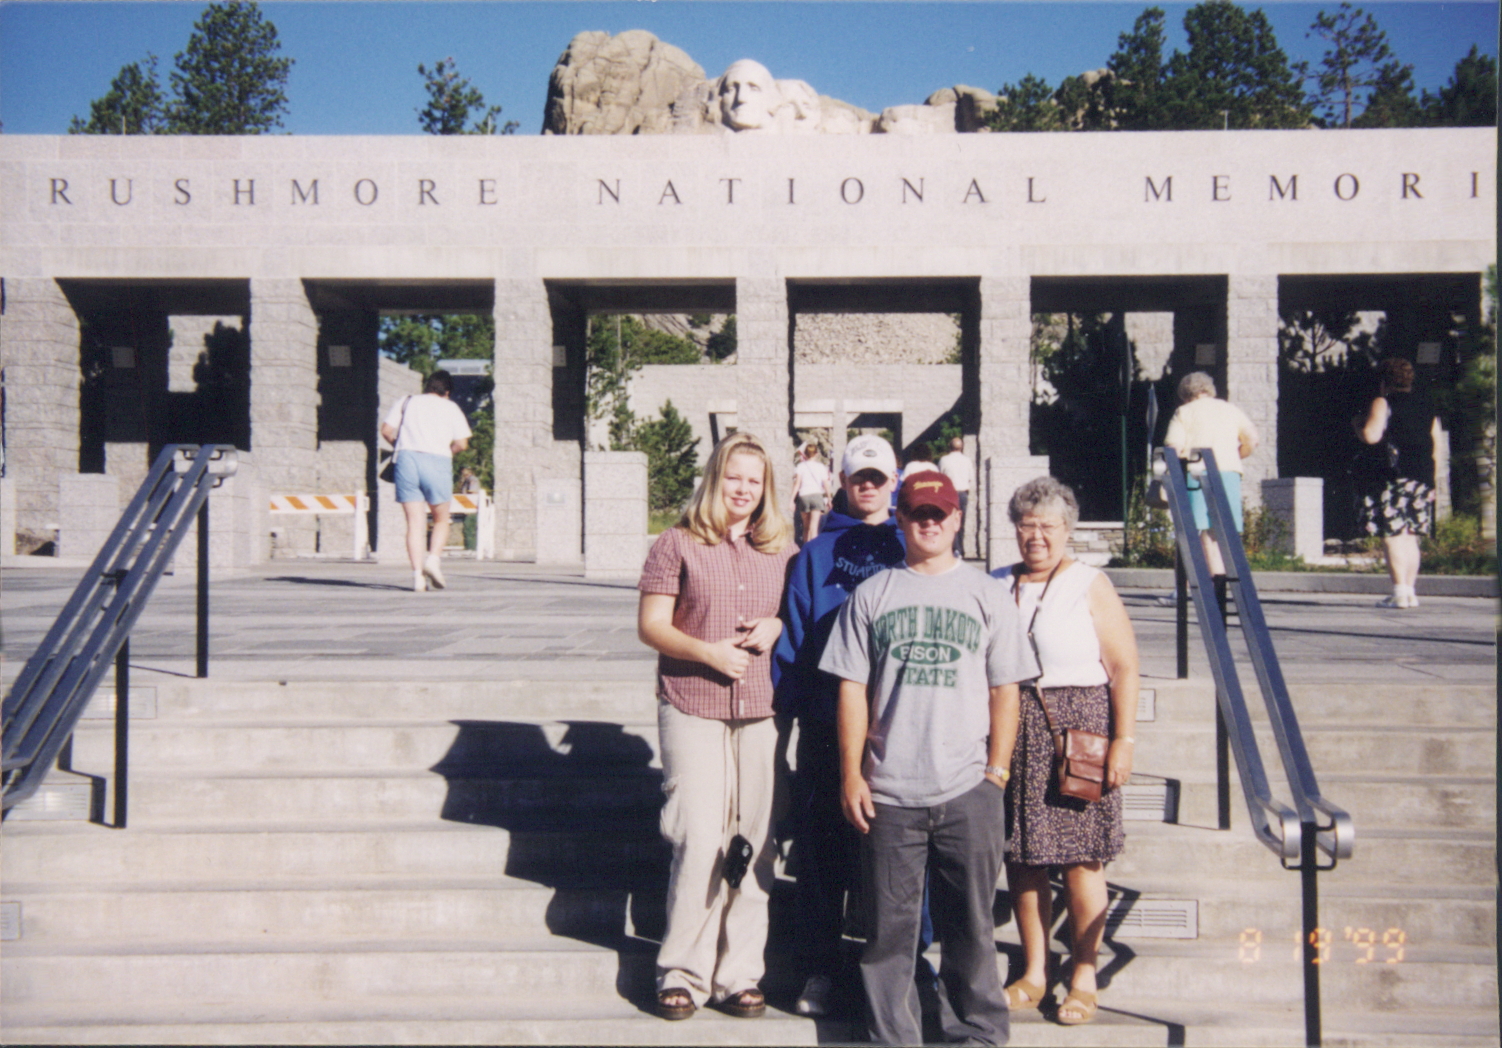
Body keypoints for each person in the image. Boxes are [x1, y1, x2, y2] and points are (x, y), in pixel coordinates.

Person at [821, 470, 1035, 1046]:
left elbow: (1006, 690)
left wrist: (996, 773)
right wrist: (851, 774)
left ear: (957, 519)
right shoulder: (873, 594)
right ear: (901, 518)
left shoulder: (987, 594)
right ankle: (894, 1036)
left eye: (940, 512)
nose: (930, 522)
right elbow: (851, 690)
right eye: (919, 512)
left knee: (971, 928)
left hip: (968, 788)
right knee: (888, 935)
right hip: (889, 793)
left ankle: (978, 1033)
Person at [636, 432, 796, 1021]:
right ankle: (682, 972)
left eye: (754, 481)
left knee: (754, 842)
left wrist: (778, 625)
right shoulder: (676, 543)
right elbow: (651, 625)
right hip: (692, 703)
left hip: (761, 710)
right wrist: (708, 652)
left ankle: (739, 974)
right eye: (734, 477)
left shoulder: (782, 549)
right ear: (714, 479)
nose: (744, 490)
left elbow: (795, 613)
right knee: (701, 838)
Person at [990, 477, 1139, 1027]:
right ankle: (1034, 971)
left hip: (1077, 727)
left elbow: (1124, 666)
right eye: (1026, 525)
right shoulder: (996, 582)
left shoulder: (1088, 583)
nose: (1036, 536)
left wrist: (1123, 741)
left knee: (1081, 857)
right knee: (1023, 856)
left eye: (1047, 526)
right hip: (1012, 724)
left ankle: (1083, 974)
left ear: (1067, 530)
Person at [772, 434, 903, 1018]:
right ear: (841, 483)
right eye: (859, 477)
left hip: (899, 730)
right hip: (828, 728)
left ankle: (895, 973)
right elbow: (794, 642)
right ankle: (820, 968)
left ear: (893, 481)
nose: (868, 485)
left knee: (894, 863)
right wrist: (787, 722)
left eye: (878, 476)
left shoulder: (912, 542)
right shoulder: (815, 554)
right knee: (823, 856)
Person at [1355, 357, 1439, 608]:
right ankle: (1409, 592)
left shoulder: (1383, 402)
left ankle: (1399, 592)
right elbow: (1436, 446)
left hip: (1391, 478)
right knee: (1410, 536)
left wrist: (1358, 426)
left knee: (1392, 535)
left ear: (1383, 382)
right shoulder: (1427, 407)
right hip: (1420, 478)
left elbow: (1371, 436)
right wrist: (1432, 482)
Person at [380, 370, 471, 593]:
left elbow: (386, 430)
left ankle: (417, 577)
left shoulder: (407, 401)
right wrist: (448, 450)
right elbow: (462, 444)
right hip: (437, 461)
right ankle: (433, 560)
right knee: (441, 519)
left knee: (414, 523)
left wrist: (401, 445)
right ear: (447, 391)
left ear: (428, 386)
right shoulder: (451, 407)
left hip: (407, 461)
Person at [1163, 372, 1258, 583]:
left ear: (1185, 394)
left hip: (1197, 473)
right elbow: (1252, 439)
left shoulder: (1184, 412)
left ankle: (1212, 581)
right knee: (1222, 528)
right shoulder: (1231, 409)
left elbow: (1173, 447)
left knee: (1201, 528)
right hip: (1229, 472)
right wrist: (1235, 456)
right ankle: (1225, 579)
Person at [939, 437, 974, 559]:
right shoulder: (967, 460)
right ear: (962, 447)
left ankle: (955, 549)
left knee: (950, 521)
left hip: (949, 493)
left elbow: (940, 477)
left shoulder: (944, 460)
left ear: (949, 446)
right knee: (961, 522)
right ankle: (960, 549)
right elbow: (970, 478)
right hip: (962, 493)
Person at [792, 441, 832, 544]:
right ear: (817, 454)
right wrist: (829, 499)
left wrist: (791, 500)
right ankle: (812, 550)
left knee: (805, 527)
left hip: (804, 496)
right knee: (813, 528)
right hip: (816, 496)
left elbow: (797, 484)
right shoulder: (821, 467)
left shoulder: (801, 466)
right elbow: (826, 484)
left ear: (805, 454)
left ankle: (805, 548)